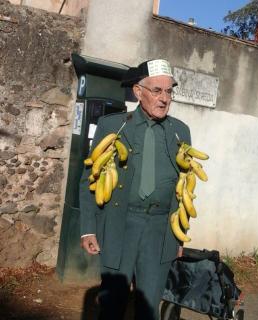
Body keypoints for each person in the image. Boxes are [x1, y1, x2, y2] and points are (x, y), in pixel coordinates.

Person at [79, 59, 191, 320]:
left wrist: (180, 235)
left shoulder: (180, 132)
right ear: (139, 92)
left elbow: (184, 186)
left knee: (149, 306)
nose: (164, 98)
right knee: (112, 304)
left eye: (169, 91)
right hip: (120, 225)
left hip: (160, 230)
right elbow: (89, 180)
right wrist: (88, 228)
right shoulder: (113, 126)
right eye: (157, 90)